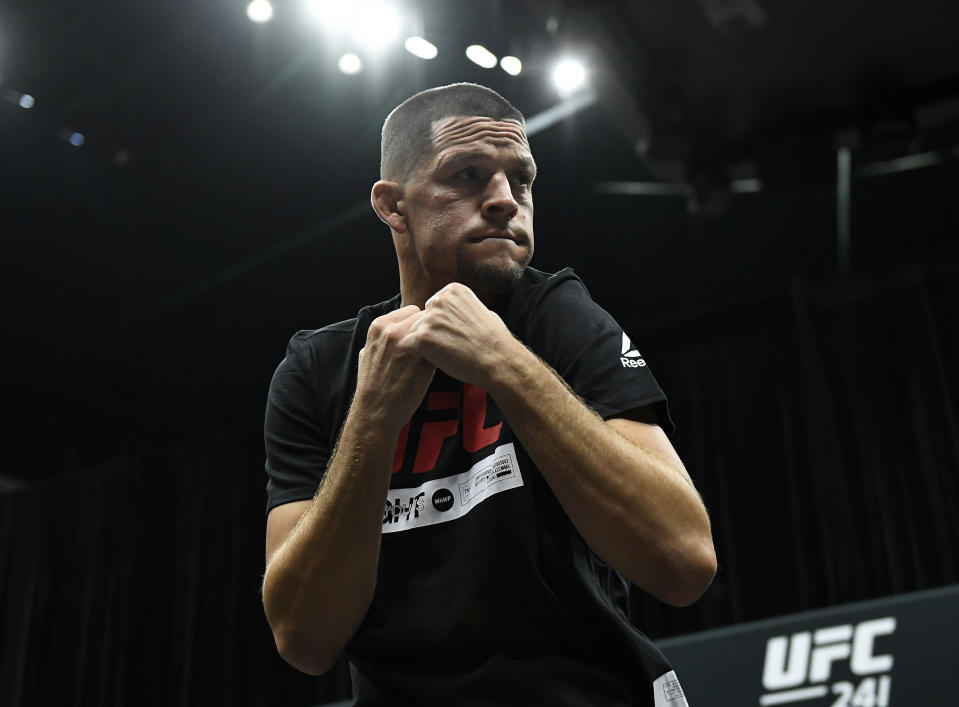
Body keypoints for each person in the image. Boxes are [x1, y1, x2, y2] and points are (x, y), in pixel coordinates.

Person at [261, 83, 716, 706]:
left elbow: (685, 562)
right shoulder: (316, 369)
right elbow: (303, 640)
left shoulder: (558, 313)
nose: (505, 201)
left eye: (521, 180)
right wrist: (372, 417)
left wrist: (504, 362)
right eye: (468, 175)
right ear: (393, 206)